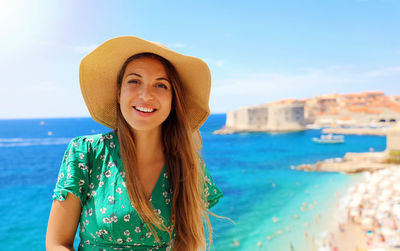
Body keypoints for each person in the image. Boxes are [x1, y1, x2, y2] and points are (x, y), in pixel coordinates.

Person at [46, 36, 223, 251]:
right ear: (119, 93)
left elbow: (192, 243)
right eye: (134, 81)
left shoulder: (187, 163)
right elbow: (57, 244)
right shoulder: (85, 153)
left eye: (161, 85)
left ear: (173, 100)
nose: (146, 94)